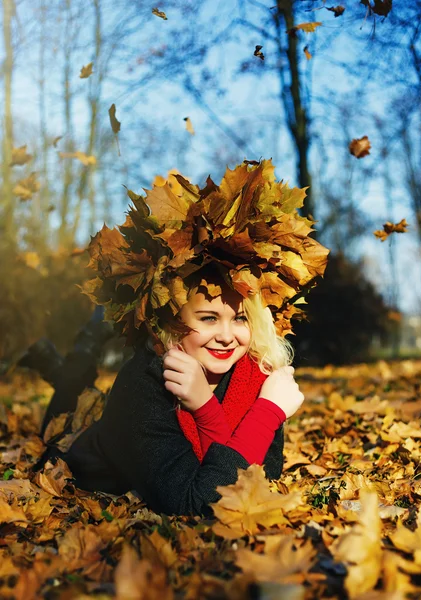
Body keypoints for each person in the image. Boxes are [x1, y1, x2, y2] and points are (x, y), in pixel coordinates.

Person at [39, 160, 329, 517]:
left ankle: (67, 354)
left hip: (132, 435)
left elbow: (261, 479)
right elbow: (197, 505)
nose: (226, 336)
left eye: (240, 318)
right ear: (171, 323)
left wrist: (205, 407)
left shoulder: (257, 377)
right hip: (87, 452)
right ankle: (83, 345)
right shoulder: (143, 384)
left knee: (82, 400)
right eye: (208, 318)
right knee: (66, 412)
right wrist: (264, 413)